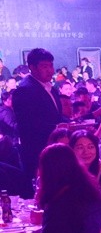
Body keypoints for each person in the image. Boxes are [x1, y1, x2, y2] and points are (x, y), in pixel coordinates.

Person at [12, 48, 63, 178]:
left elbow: (57, 118)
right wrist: (57, 128)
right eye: (44, 66)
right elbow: (27, 126)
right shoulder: (25, 90)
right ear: (32, 67)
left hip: (55, 149)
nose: (50, 70)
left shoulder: (50, 88)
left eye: (51, 66)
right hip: (38, 154)